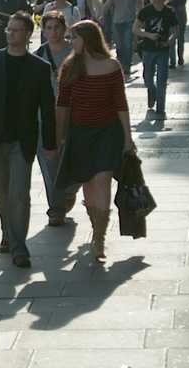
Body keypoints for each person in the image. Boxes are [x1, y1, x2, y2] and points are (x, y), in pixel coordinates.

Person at [0, 12, 57, 268]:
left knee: (19, 194)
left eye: (16, 30)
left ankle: (19, 247)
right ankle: (7, 229)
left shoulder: (39, 67)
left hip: (23, 141)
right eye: (9, 30)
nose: (11, 33)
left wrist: (49, 144)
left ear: (28, 34)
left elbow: (47, 109)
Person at [54, 20, 133, 262]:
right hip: (80, 134)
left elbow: (120, 103)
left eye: (73, 38)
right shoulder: (70, 67)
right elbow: (63, 105)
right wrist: (59, 138)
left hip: (108, 133)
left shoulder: (111, 66)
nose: (70, 42)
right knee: (88, 185)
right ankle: (95, 224)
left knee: (103, 179)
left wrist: (128, 137)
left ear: (87, 39)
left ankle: (99, 237)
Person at [34, 12, 77, 227]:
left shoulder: (75, 53)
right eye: (49, 28)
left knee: (75, 159)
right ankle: (56, 209)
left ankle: (69, 190)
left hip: (73, 114)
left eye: (57, 27)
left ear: (64, 28)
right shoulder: (37, 55)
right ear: (43, 30)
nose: (53, 32)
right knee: (49, 163)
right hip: (46, 117)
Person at [133, 0, 178, 119]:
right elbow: (135, 29)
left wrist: (170, 40)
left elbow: (176, 30)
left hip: (163, 49)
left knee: (162, 79)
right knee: (148, 77)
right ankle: (151, 92)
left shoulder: (169, 12)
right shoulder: (146, 11)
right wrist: (148, 35)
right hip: (148, 49)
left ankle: (160, 108)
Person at [101, 0, 143, 76]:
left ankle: (127, 66)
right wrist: (102, 15)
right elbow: (108, 3)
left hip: (130, 21)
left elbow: (140, 4)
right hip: (117, 21)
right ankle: (120, 64)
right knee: (119, 46)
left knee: (128, 44)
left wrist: (140, 18)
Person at [167, 0, 189, 68]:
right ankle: (172, 60)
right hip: (170, 14)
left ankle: (180, 56)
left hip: (180, 14)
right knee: (171, 37)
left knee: (180, 37)